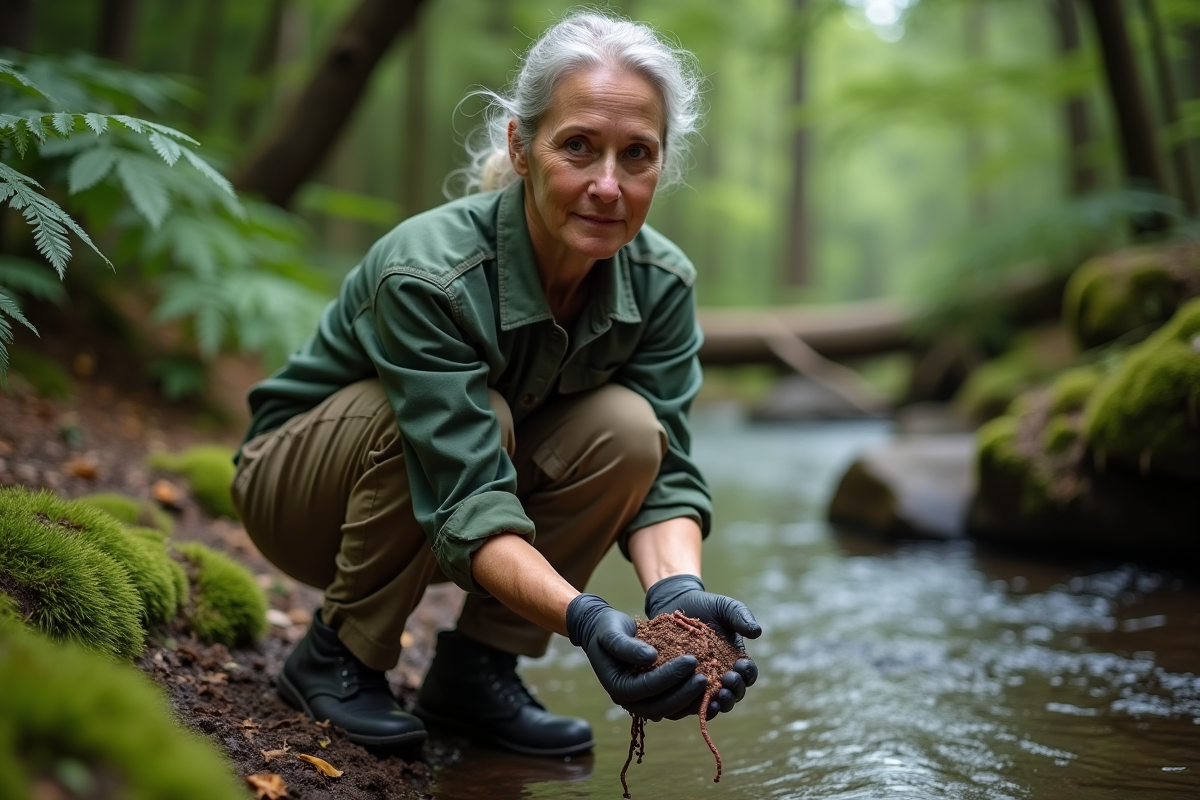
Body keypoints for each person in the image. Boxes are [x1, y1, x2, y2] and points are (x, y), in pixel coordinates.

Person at [230, 10, 761, 757]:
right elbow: (467, 492)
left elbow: (666, 472)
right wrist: (584, 620)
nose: (607, 185)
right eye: (579, 146)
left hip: (448, 507)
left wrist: (674, 597)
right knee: (487, 417)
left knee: (631, 430)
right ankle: (337, 655)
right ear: (521, 146)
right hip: (301, 496)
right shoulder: (429, 272)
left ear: (660, 165)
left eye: (636, 154)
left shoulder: (663, 283)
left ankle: (477, 673)